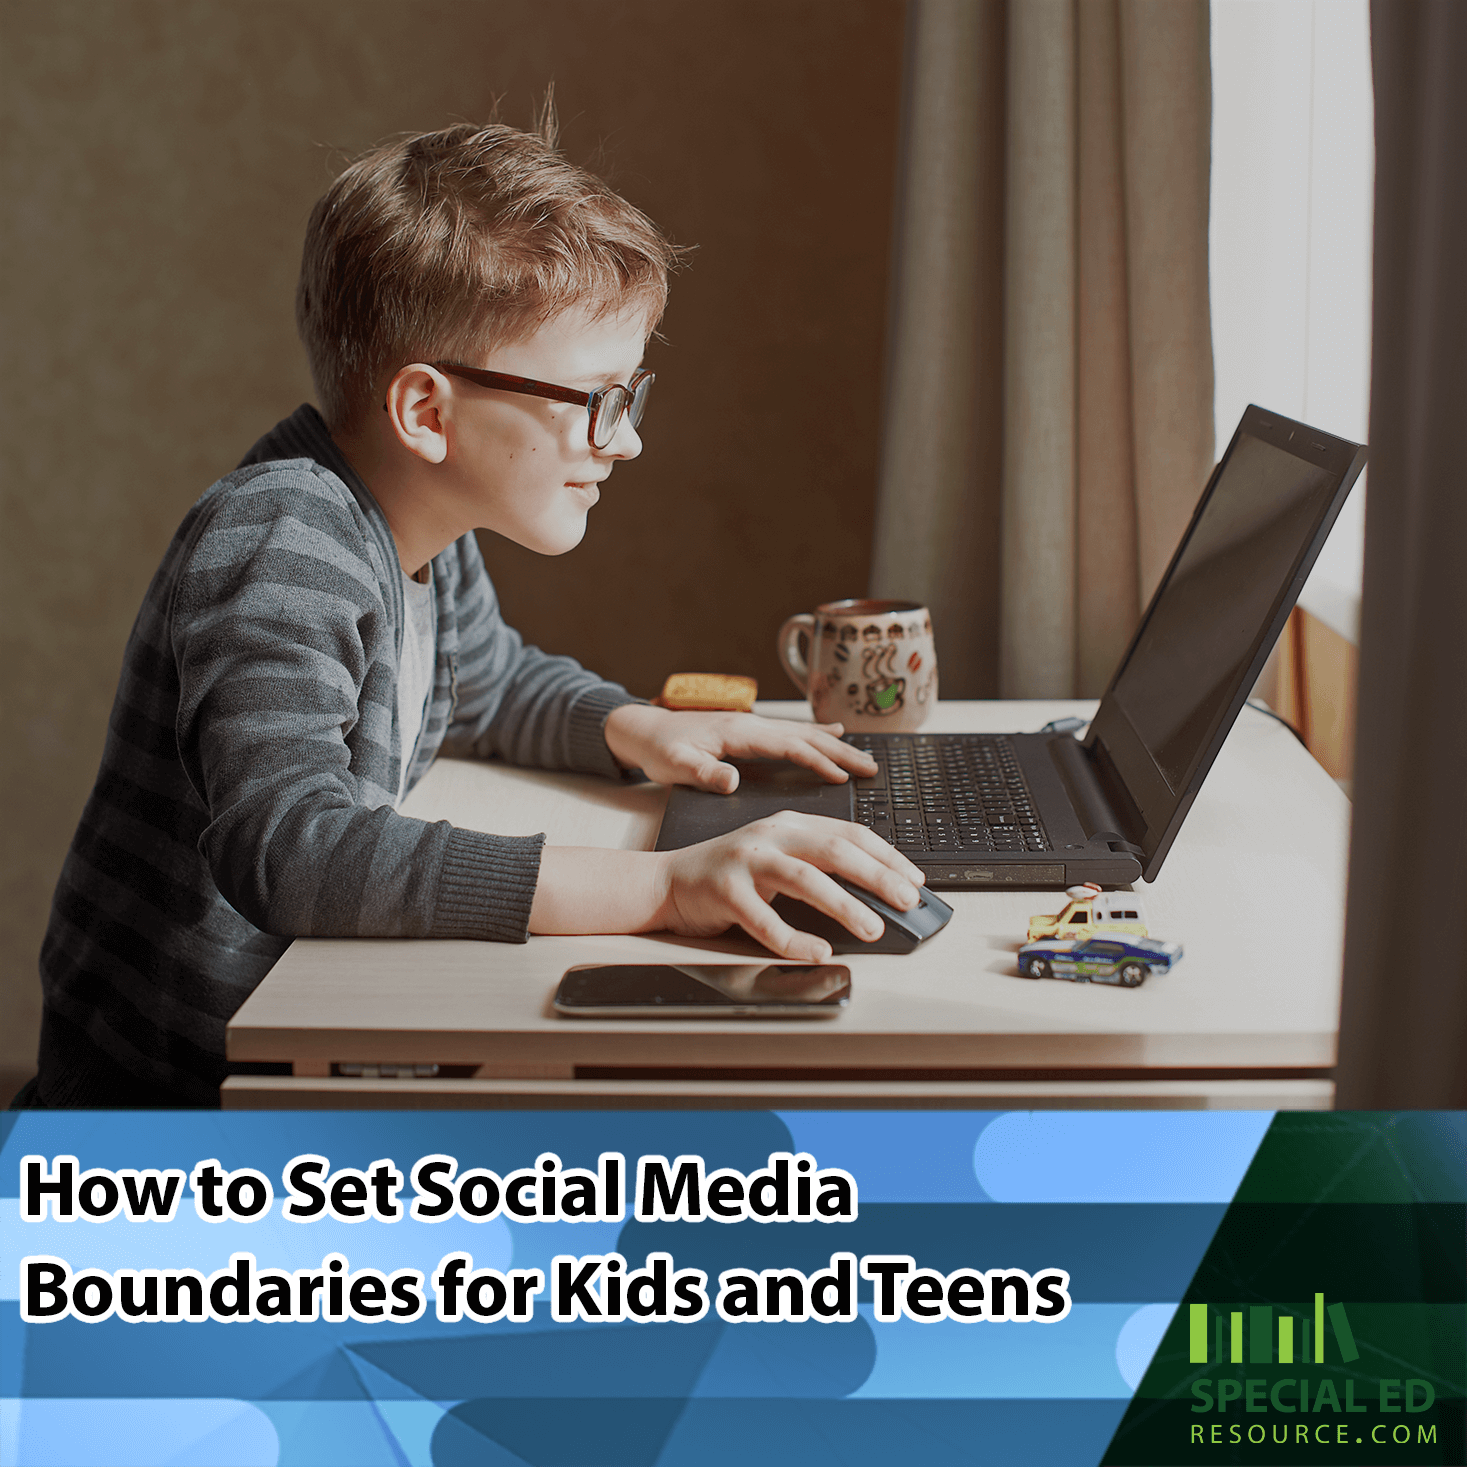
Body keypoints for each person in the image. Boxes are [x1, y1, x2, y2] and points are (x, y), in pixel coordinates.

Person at [32, 120, 924, 1108]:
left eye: (631, 397)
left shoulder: (419, 532)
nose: (622, 443)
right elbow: (292, 846)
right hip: (177, 1112)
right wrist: (663, 886)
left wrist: (641, 729)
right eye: (595, 399)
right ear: (427, 412)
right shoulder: (287, 541)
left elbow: (487, 685)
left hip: (298, 1055)